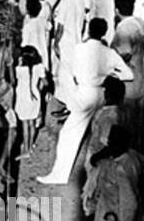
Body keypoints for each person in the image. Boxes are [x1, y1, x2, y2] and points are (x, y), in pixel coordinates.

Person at [39, 18, 134, 186]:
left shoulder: (79, 49)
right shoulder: (109, 52)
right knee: (99, 134)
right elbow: (128, 75)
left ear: (89, 30)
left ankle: (59, 175)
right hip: (102, 93)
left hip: (83, 92)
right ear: (104, 33)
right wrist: (109, 75)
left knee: (69, 134)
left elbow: (69, 70)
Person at [14, 44, 47, 159]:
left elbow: (15, 80)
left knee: (25, 124)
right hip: (35, 96)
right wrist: (40, 88)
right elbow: (46, 82)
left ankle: (26, 149)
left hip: (23, 97)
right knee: (32, 123)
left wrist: (18, 63)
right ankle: (31, 145)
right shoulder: (40, 67)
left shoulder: (19, 69)